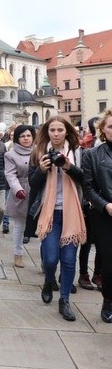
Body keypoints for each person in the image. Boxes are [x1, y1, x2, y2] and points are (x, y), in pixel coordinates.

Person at [27, 116, 86, 321]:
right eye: (52, 130)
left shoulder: (78, 153)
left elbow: (85, 179)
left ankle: (64, 300)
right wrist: (42, 170)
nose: (56, 134)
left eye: (60, 130)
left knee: (69, 261)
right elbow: (33, 185)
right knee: (51, 259)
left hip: (72, 213)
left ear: (67, 131)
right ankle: (49, 279)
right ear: (47, 132)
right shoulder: (39, 152)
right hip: (50, 213)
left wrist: (69, 166)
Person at [82, 109, 112, 322]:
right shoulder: (92, 155)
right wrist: (105, 205)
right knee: (108, 263)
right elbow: (88, 187)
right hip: (105, 215)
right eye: (110, 126)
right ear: (103, 129)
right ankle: (108, 300)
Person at [4, 125, 35, 268]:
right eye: (22, 136)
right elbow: (10, 174)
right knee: (19, 226)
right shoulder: (10, 154)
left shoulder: (38, 151)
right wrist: (17, 189)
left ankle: (46, 260)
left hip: (37, 190)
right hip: (21, 191)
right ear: (17, 138)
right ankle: (18, 254)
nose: (26, 138)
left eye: (28, 135)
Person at [78, 116, 103, 290]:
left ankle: (98, 273)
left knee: (102, 242)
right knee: (86, 242)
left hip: (106, 203)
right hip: (89, 202)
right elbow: (85, 181)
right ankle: (83, 274)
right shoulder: (88, 151)